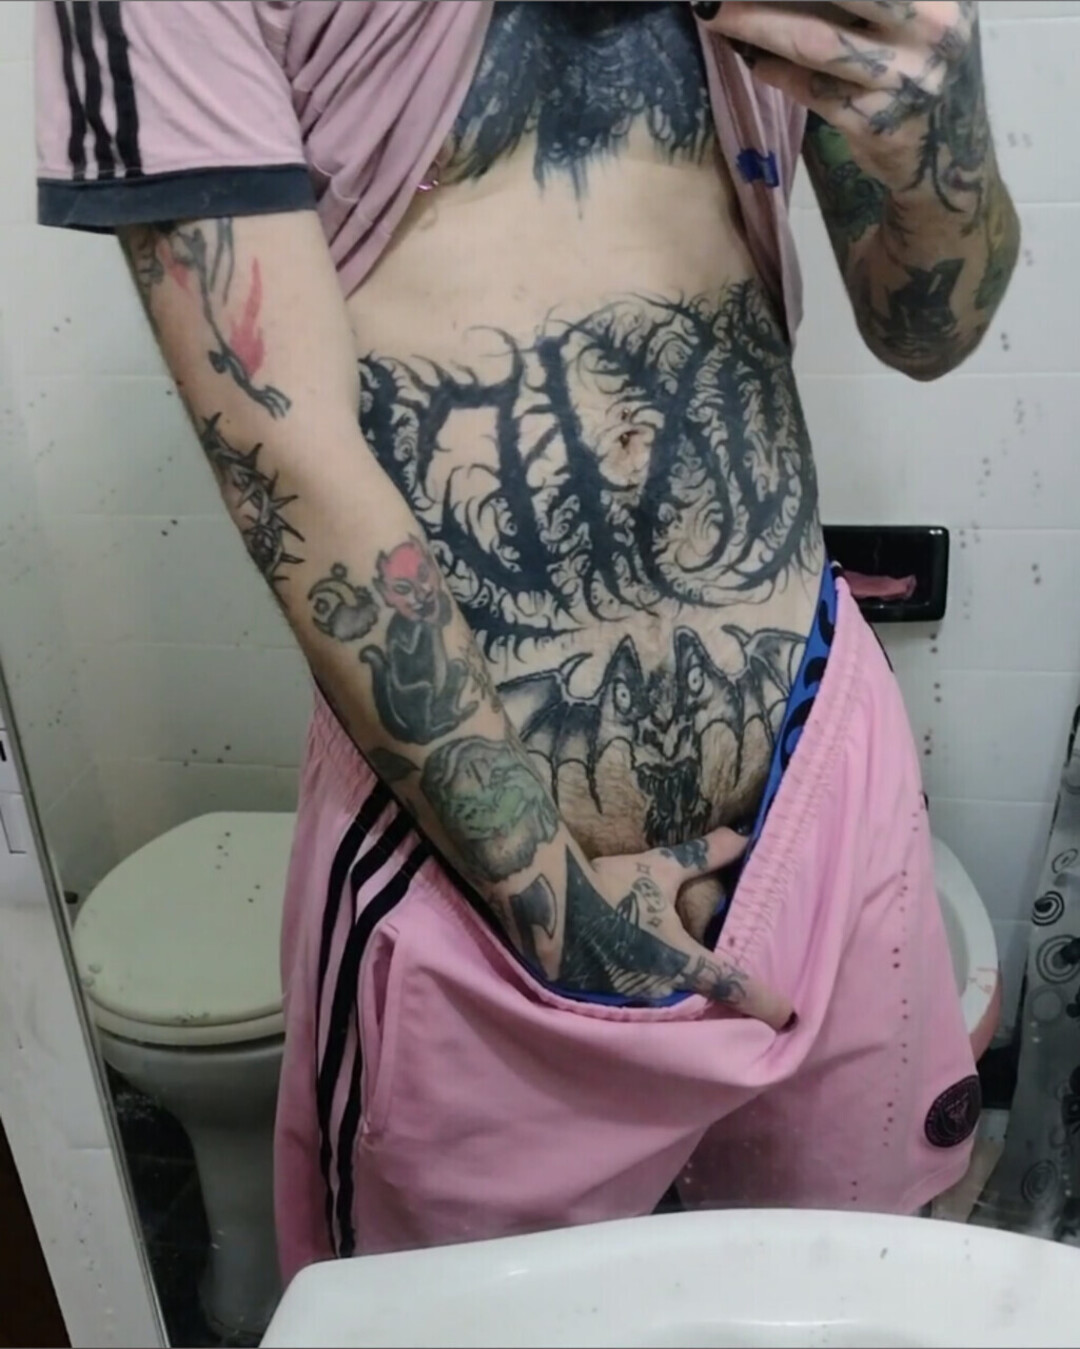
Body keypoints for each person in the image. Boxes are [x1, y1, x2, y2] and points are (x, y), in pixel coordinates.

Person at [35, 0, 1018, 1280]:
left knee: (858, 1292)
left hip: (814, 793)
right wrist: (550, 909)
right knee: (469, 1314)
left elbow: (926, 329)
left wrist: (943, 129)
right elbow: (282, 457)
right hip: (478, 886)